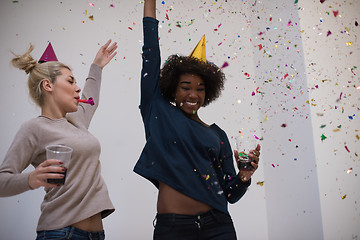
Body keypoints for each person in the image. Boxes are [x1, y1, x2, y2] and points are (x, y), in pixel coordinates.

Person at [133, 1, 261, 239]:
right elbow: (151, 54)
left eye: (200, 89)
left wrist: (244, 176)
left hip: (218, 226)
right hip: (174, 228)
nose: (193, 94)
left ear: (207, 93)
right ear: (172, 89)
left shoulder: (217, 135)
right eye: (185, 87)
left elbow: (231, 194)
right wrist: (150, 5)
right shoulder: (159, 112)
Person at [0, 40, 117, 240]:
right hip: (60, 233)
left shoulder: (76, 120)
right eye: (70, 81)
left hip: (97, 235)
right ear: (48, 85)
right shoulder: (34, 128)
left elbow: (91, 96)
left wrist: (96, 66)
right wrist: (31, 179)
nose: (78, 88)